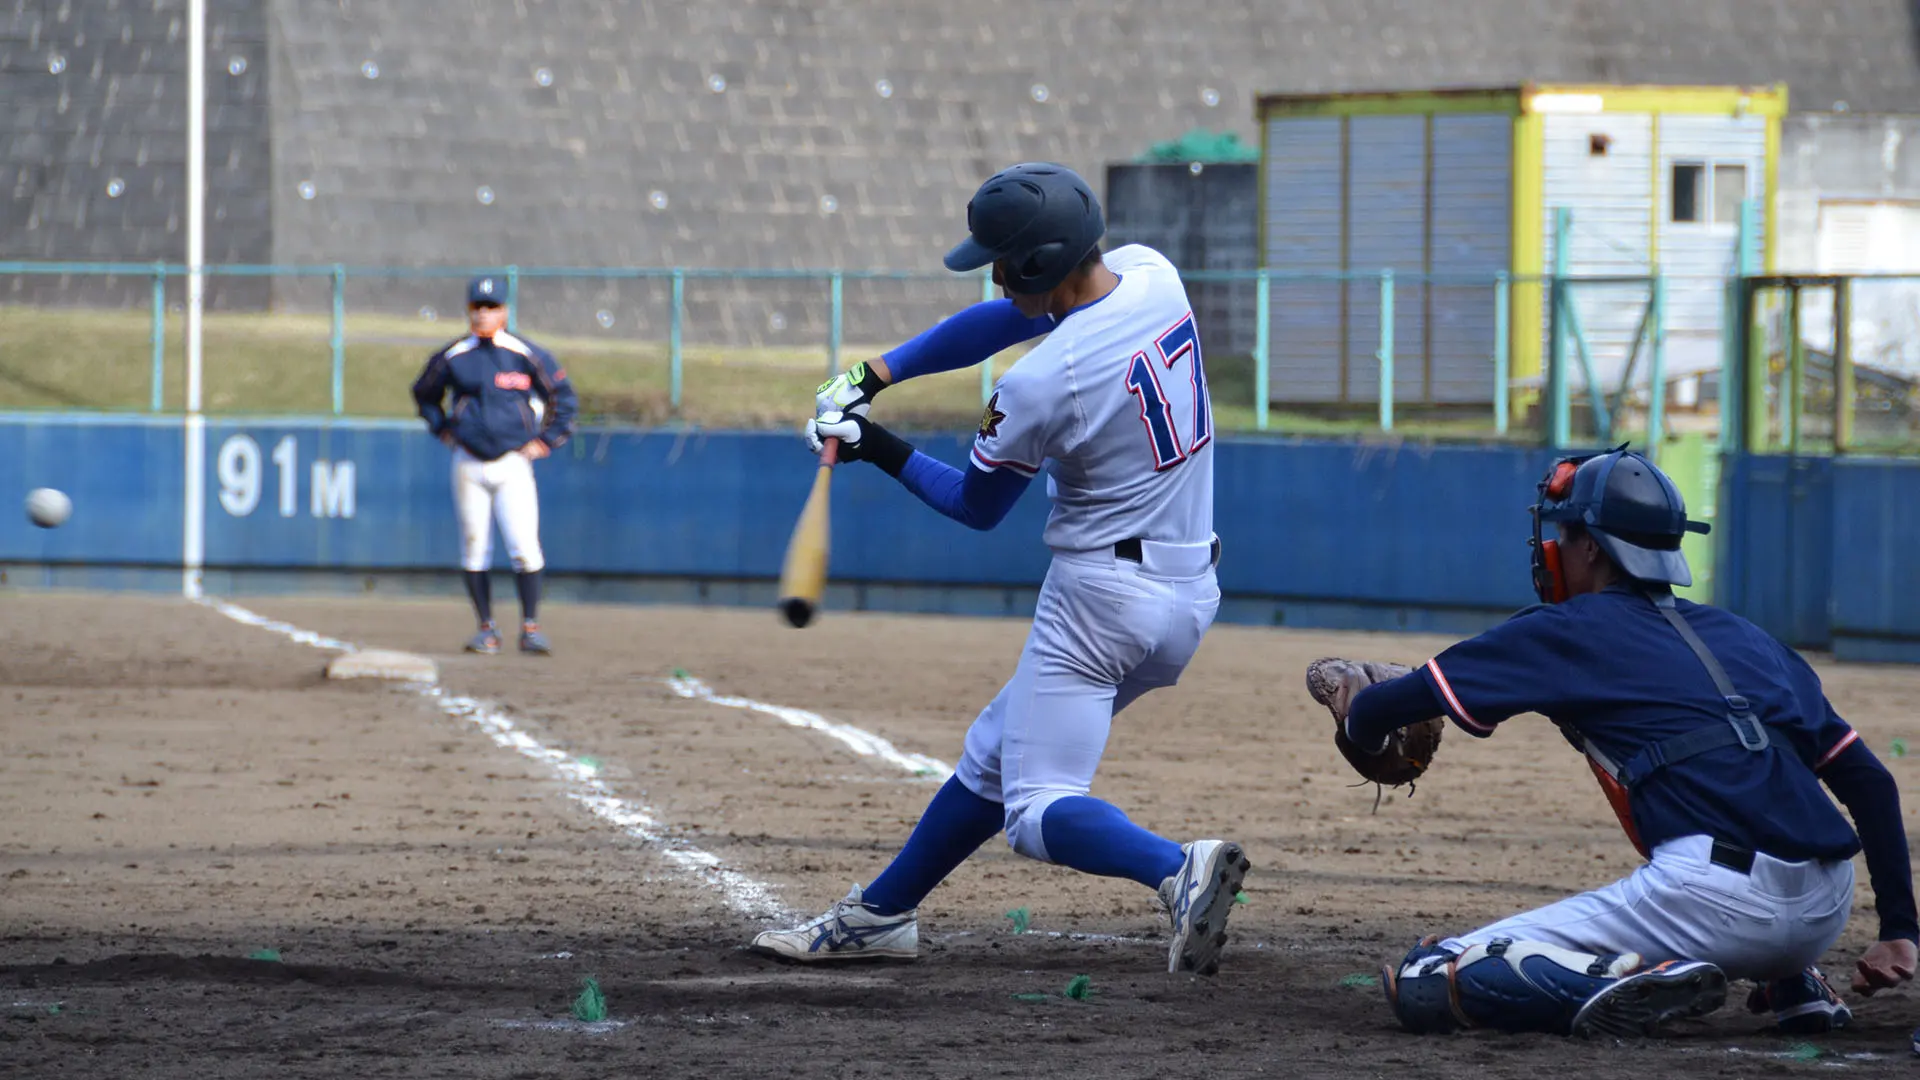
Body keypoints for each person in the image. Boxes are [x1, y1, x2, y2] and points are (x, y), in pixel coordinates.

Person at [749, 162, 1248, 976]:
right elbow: (1011, 317)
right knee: (993, 751)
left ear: (1039, 264)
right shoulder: (1154, 273)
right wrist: (879, 374)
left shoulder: (1043, 383)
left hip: (1100, 603)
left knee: (1036, 808)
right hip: (1189, 592)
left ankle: (1175, 869)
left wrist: (874, 445)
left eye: (1003, 261)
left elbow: (977, 509)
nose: (992, 272)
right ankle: (880, 914)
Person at [1321, 447, 1916, 1038]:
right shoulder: (1754, 640)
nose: (1554, 546)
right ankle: (1793, 980)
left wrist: (1357, 714)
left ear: (1591, 547)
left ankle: (1617, 975)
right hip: (1824, 906)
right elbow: (1868, 780)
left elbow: (1382, 709)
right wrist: (1898, 931)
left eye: (1565, 531)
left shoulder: (1563, 630)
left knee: (1429, 974)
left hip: (1712, 903)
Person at [410, 275, 577, 655]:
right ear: (469, 311)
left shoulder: (524, 353)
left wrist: (545, 441)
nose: (484, 314)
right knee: (474, 547)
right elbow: (424, 394)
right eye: (478, 307)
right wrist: (442, 429)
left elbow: (563, 397)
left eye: (491, 307)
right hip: (469, 460)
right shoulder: (455, 355)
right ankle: (486, 628)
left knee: (524, 547)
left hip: (513, 461)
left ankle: (530, 627)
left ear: (505, 310)